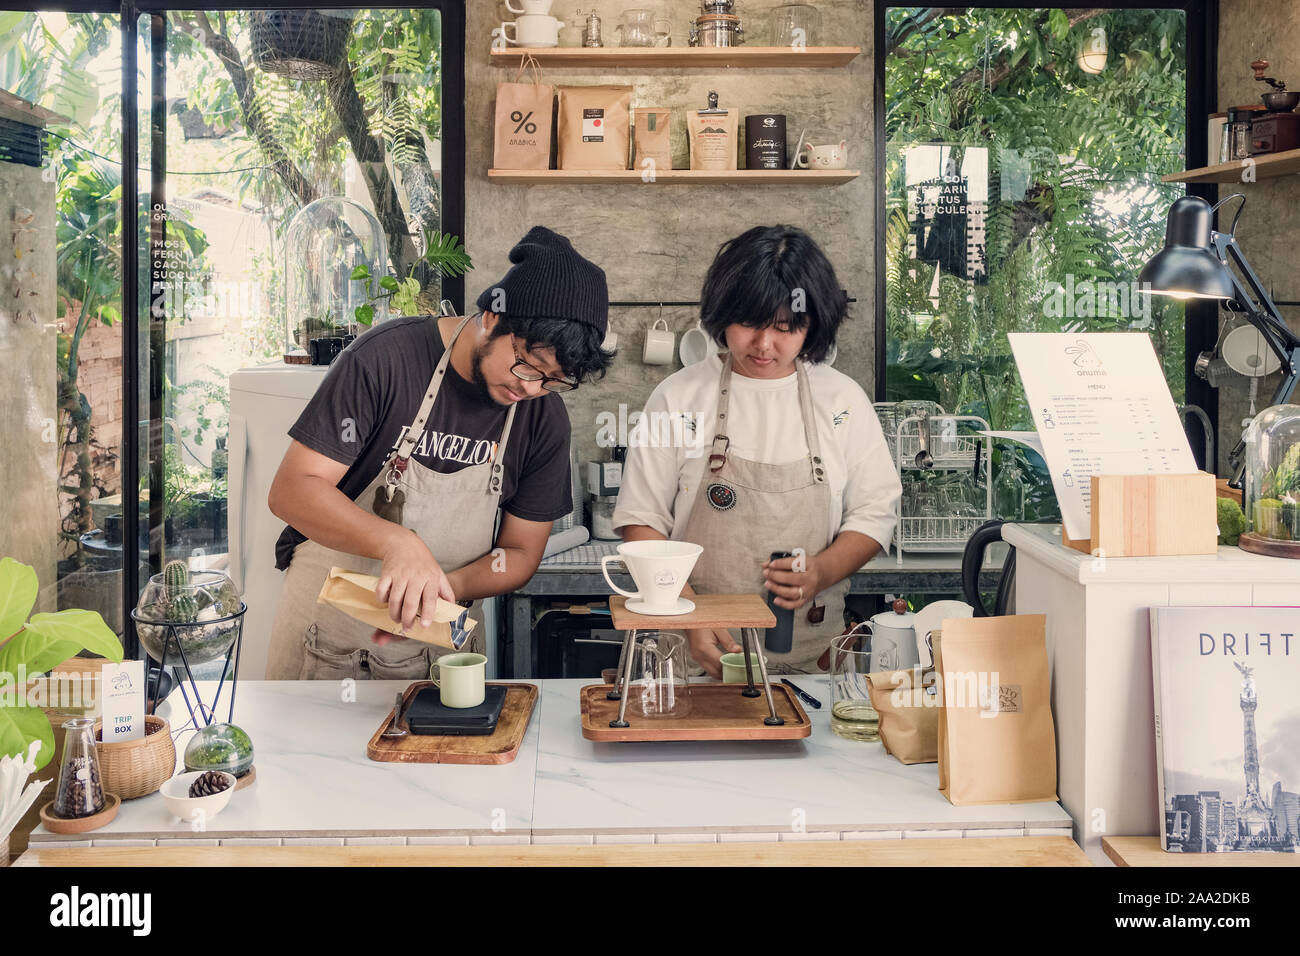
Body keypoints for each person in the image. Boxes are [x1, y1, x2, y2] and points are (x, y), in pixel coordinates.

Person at [265, 226, 612, 679]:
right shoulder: (384, 360)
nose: (530, 388)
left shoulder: (543, 417)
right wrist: (397, 544)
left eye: (552, 380)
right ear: (492, 317)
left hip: (445, 656)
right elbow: (293, 491)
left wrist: (446, 589)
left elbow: (521, 552)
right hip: (328, 647)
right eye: (527, 364)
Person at [613, 225, 901, 677]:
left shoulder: (842, 401)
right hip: (691, 659)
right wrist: (688, 613)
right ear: (723, 313)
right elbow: (641, 520)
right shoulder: (678, 397)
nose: (765, 344)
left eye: (786, 327)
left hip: (809, 661)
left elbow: (874, 513)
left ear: (814, 323)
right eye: (749, 323)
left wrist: (821, 573)